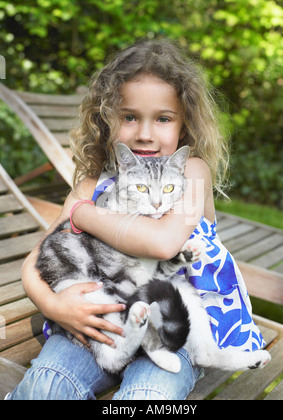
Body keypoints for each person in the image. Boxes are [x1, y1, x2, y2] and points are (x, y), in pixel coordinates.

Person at [7, 38, 265, 400]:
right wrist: (55, 307)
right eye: (129, 117)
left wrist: (83, 215)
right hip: (98, 327)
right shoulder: (90, 186)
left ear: (184, 123)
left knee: (147, 395)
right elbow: (34, 263)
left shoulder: (191, 172)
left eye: (162, 118)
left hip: (174, 327)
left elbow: (164, 242)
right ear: (106, 119)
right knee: (48, 382)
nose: (145, 133)